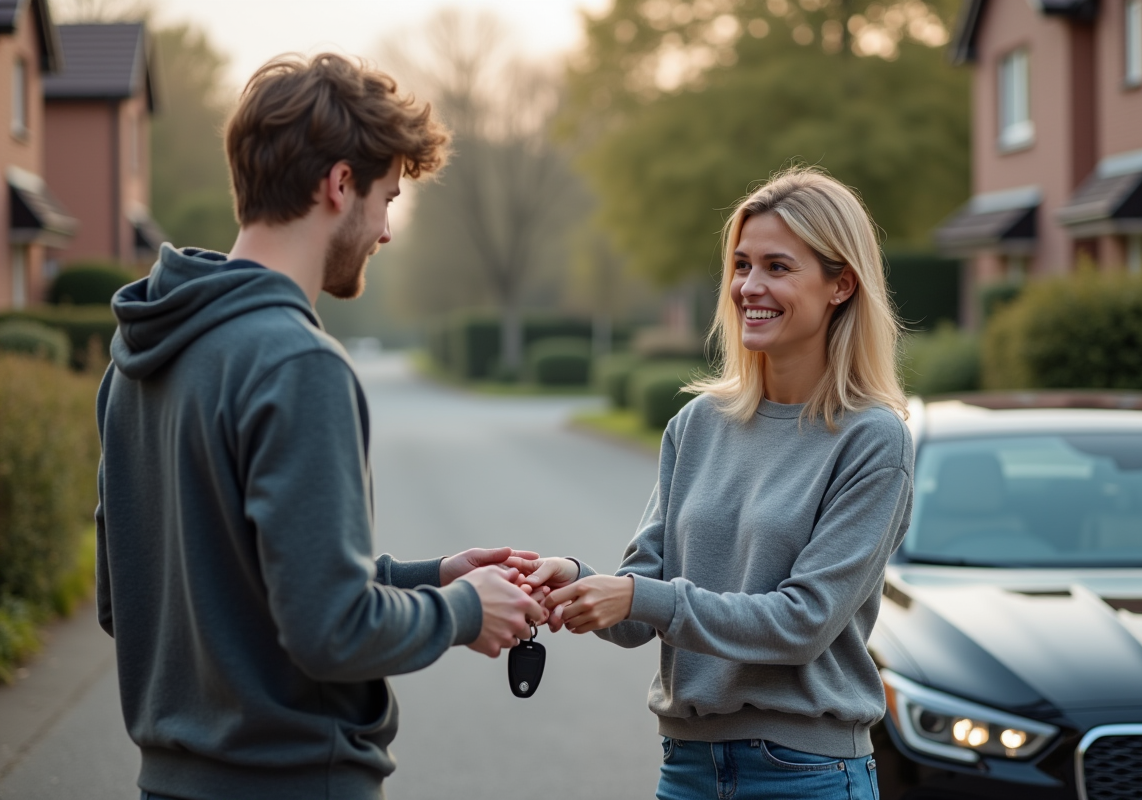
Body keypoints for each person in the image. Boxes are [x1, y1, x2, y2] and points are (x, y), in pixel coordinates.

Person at [95, 53, 546, 800]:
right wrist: (464, 611)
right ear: (340, 185)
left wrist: (425, 579)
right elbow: (332, 630)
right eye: (387, 200)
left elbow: (132, 602)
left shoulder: (140, 353)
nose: (386, 232)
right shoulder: (297, 363)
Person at [513, 168, 913, 800]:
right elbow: (640, 607)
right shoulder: (697, 424)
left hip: (806, 775)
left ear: (841, 284)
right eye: (742, 265)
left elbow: (803, 623)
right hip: (688, 769)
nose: (749, 287)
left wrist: (640, 598)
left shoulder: (871, 440)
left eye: (778, 267)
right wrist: (577, 580)